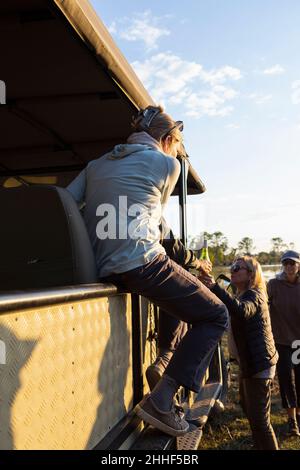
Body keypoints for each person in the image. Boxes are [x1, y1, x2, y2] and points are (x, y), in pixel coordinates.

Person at [67, 105, 228, 437]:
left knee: (182, 295)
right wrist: (195, 264)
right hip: (142, 260)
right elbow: (157, 227)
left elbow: (64, 201)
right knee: (215, 314)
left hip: (104, 269)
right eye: (176, 143)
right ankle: (162, 400)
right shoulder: (169, 165)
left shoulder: (95, 165)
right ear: (167, 140)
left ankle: (167, 357)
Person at [201, 256, 279, 450]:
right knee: (250, 411)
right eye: (232, 266)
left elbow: (242, 311)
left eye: (237, 267)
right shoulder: (242, 295)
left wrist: (216, 287)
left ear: (251, 274)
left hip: (259, 363)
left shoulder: (255, 294)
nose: (232, 270)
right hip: (251, 363)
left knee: (261, 421)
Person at [146, 218, 212, 390]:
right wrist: (199, 263)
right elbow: (174, 249)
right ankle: (167, 359)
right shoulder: (148, 207)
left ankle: (166, 359)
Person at [268, 250, 300, 437]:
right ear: (282, 265)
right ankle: (292, 420)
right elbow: (264, 306)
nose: (289, 266)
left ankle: (298, 413)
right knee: (286, 379)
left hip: (298, 342)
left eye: (293, 263)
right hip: (280, 341)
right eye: (286, 263)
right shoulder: (274, 284)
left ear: (298, 266)